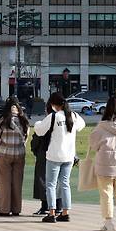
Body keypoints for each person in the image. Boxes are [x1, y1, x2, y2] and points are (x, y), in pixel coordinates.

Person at [34, 92, 85, 223]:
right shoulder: (73, 115)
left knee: (51, 184)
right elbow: (82, 125)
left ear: (53, 104)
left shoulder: (53, 116)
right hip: (69, 155)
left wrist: (37, 122)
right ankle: (65, 212)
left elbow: (39, 130)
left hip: (54, 155)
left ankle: (51, 212)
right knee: (65, 184)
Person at [89, 96, 116, 231]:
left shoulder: (100, 127)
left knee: (106, 194)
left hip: (104, 165)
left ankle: (109, 223)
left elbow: (94, 145)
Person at [0, 97, 29, 216]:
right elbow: (26, 137)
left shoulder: (3, 120)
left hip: (4, 153)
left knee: (4, 182)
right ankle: (16, 209)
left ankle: (5, 209)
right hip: (19, 153)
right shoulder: (24, 120)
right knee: (17, 182)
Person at [31, 103, 62, 215]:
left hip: (44, 153)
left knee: (44, 180)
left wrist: (35, 150)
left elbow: (36, 139)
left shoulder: (45, 123)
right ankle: (59, 205)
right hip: (60, 153)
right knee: (59, 180)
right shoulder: (62, 122)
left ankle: (45, 206)